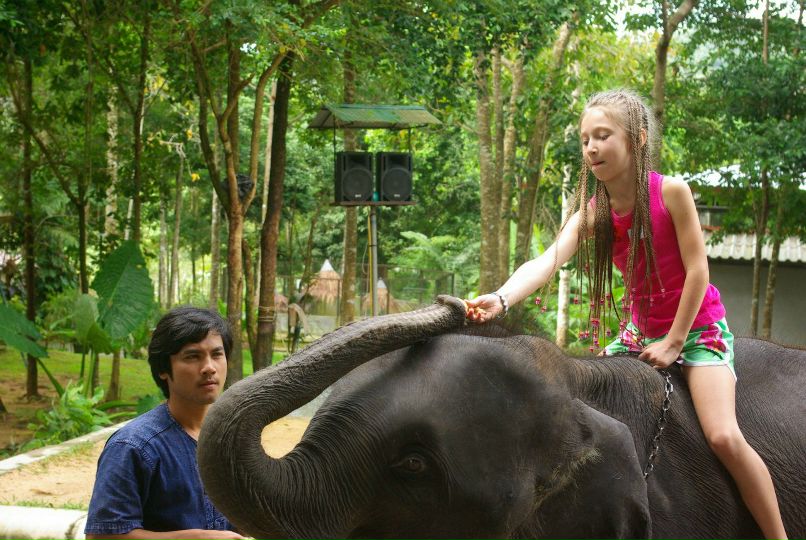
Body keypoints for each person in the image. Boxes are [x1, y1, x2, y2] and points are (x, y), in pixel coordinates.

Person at [465, 89, 788, 540]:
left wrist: (675, 342)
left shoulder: (671, 192)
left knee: (722, 437)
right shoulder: (594, 213)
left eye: (602, 136)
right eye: (584, 140)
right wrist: (499, 299)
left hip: (696, 330)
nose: (591, 148)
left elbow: (698, 272)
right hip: (640, 334)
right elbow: (546, 261)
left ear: (635, 140)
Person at [85, 307, 245, 539]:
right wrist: (196, 538)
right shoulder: (133, 446)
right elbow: (101, 537)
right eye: (192, 356)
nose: (209, 367)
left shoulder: (231, 439)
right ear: (163, 369)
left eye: (217, 354)